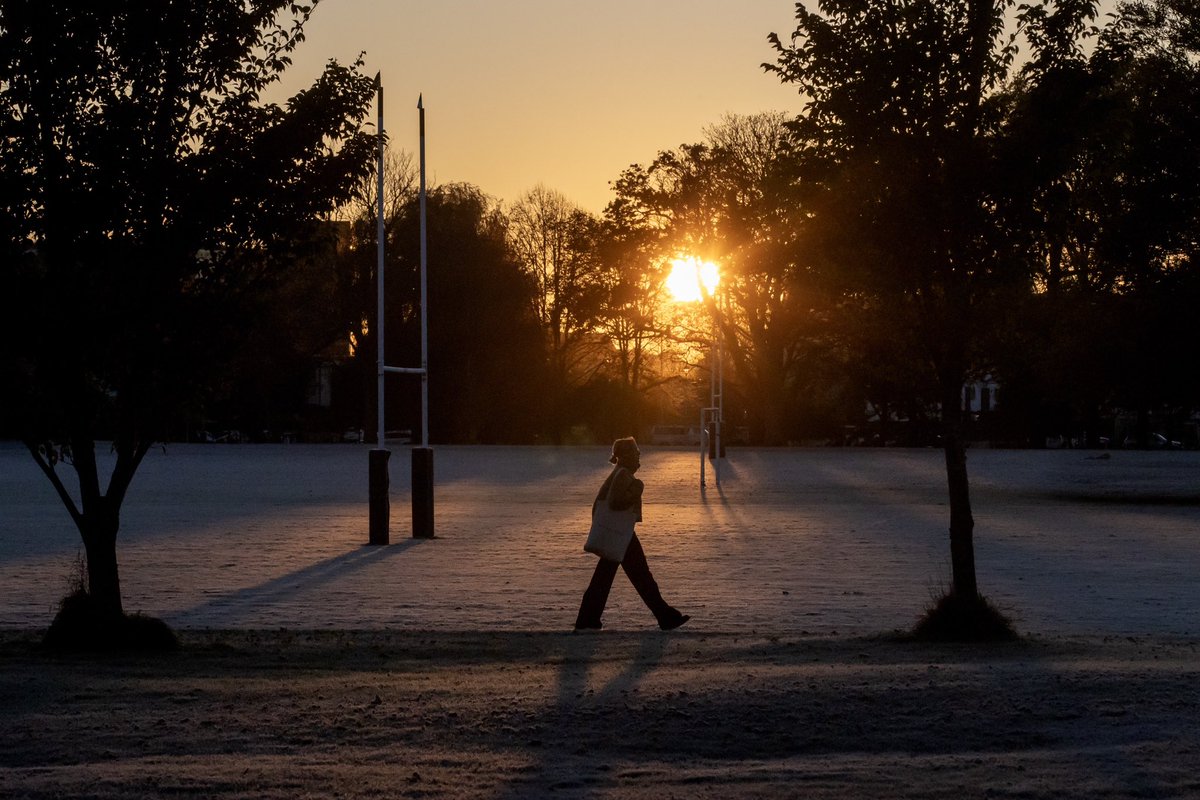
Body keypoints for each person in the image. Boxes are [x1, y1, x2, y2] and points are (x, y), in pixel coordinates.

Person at [574, 437, 690, 631]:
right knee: (638, 576)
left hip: (619, 533)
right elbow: (616, 503)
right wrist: (637, 488)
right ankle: (664, 616)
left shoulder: (619, 473)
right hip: (620, 533)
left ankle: (588, 619)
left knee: (610, 577)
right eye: (636, 453)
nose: (638, 457)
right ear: (627, 455)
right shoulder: (623, 475)